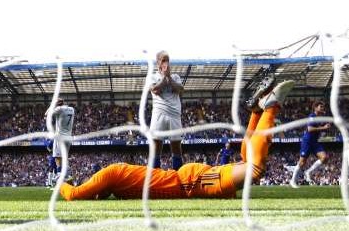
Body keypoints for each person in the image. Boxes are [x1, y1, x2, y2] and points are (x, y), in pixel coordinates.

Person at [60, 80, 295, 201]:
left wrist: (60, 182)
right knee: (247, 162)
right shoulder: (116, 177)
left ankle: (270, 106)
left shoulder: (108, 175)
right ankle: (256, 111)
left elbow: (74, 195)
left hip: (189, 183)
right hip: (189, 181)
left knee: (254, 168)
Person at [149, 51, 184, 170]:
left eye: (167, 60)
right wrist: (164, 78)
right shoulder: (153, 76)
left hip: (174, 114)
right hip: (159, 113)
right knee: (156, 144)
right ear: (158, 62)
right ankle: (155, 174)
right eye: (163, 60)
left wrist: (169, 77)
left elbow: (180, 89)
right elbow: (155, 90)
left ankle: (178, 175)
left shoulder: (175, 76)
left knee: (176, 145)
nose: (165, 63)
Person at [285, 101, 331, 188]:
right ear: (315, 108)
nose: (322, 108)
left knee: (324, 158)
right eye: (321, 106)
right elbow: (309, 129)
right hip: (307, 141)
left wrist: (325, 128)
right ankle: (293, 181)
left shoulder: (319, 118)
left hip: (315, 142)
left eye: (323, 106)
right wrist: (323, 127)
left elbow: (318, 129)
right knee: (302, 162)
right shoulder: (312, 116)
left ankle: (308, 172)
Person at [45, 98, 75, 185]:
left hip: (60, 137)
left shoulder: (58, 109)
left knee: (57, 157)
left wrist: (52, 105)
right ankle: (67, 176)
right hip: (69, 137)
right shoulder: (72, 109)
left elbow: (46, 115)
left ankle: (58, 174)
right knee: (64, 157)